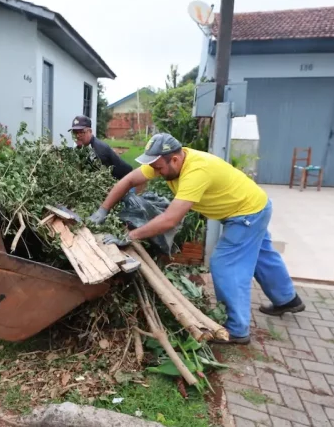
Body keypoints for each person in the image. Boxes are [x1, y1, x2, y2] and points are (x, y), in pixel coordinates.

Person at [88, 133, 305, 344]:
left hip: (247, 214)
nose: (156, 173)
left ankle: (237, 330)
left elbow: (170, 219)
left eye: (159, 168)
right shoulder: (166, 161)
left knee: (225, 263)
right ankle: (288, 299)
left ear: (174, 159)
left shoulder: (196, 171)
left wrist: (129, 236)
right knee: (261, 256)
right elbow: (128, 180)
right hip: (253, 205)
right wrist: (103, 210)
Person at [69, 115, 133, 180]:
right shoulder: (79, 147)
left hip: (124, 179)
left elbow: (101, 178)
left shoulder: (99, 151)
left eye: (81, 132)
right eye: (75, 132)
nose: (77, 136)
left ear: (90, 131)